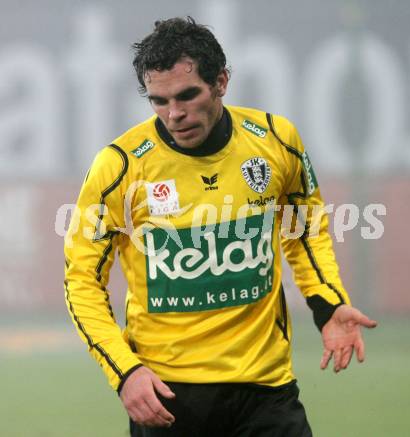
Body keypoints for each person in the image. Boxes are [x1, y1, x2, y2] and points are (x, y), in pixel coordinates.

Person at [64, 16, 377, 436]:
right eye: (158, 101)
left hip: (266, 390)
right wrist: (124, 371)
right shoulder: (119, 167)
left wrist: (328, 304)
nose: (174, 114)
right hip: (167, 395)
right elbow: (82, 281)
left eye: (187, 95)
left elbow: (305, 231)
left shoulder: (275, 141)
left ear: (221, 82)